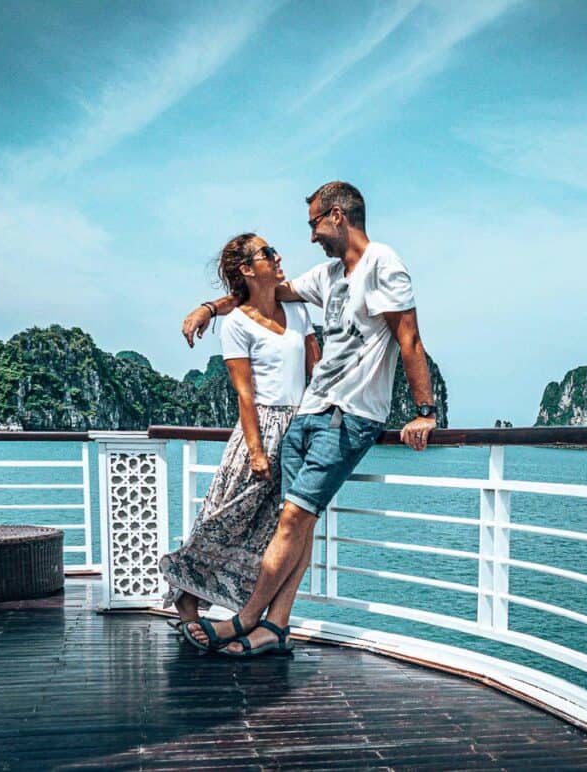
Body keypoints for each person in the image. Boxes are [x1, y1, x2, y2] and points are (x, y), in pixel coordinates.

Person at [179, 181, 438, 658]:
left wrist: (425, 412)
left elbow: (410, 340)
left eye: (315, 223)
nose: (312, 236)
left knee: (294, 518)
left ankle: (246, 618)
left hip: (349, 417)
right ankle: (276, 627)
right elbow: (260, 292)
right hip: (309, 414)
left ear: (337, 216)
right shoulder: (327, 276)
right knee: (297, 522)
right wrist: (209, 307)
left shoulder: (384, 265)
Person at [160, 232, 320, 655]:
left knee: (282, 529)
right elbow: (244, 394)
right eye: (268, 253)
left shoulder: (298, 310)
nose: (278, 255)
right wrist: (256, 450)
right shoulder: (236, 324)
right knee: (223, 518)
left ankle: (267, 623)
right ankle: (188, 601)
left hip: (299, 428)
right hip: (260, 431)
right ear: (248, 269)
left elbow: (316, 370)